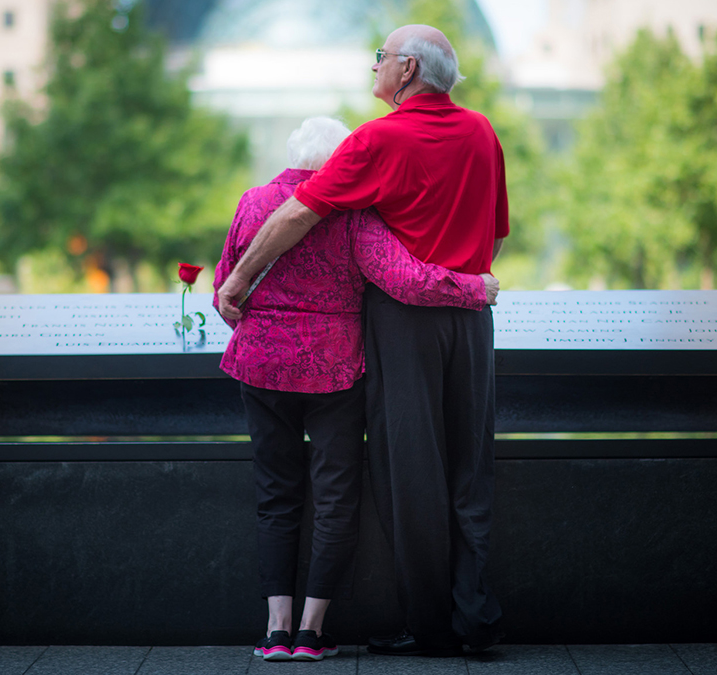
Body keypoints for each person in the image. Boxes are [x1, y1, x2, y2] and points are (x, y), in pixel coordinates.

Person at [216, 25, 508, 657]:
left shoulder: (379, 137)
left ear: (405, 70)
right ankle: (476, 618)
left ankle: (430, 627)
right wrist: (468, 282)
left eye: (380, 58)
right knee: (470, 470)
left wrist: (237, 280)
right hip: (473, 317)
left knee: (413, 475)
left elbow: (296, 211)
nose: (373, 68)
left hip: (404, 324)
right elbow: (497, 232)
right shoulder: (483, 131)